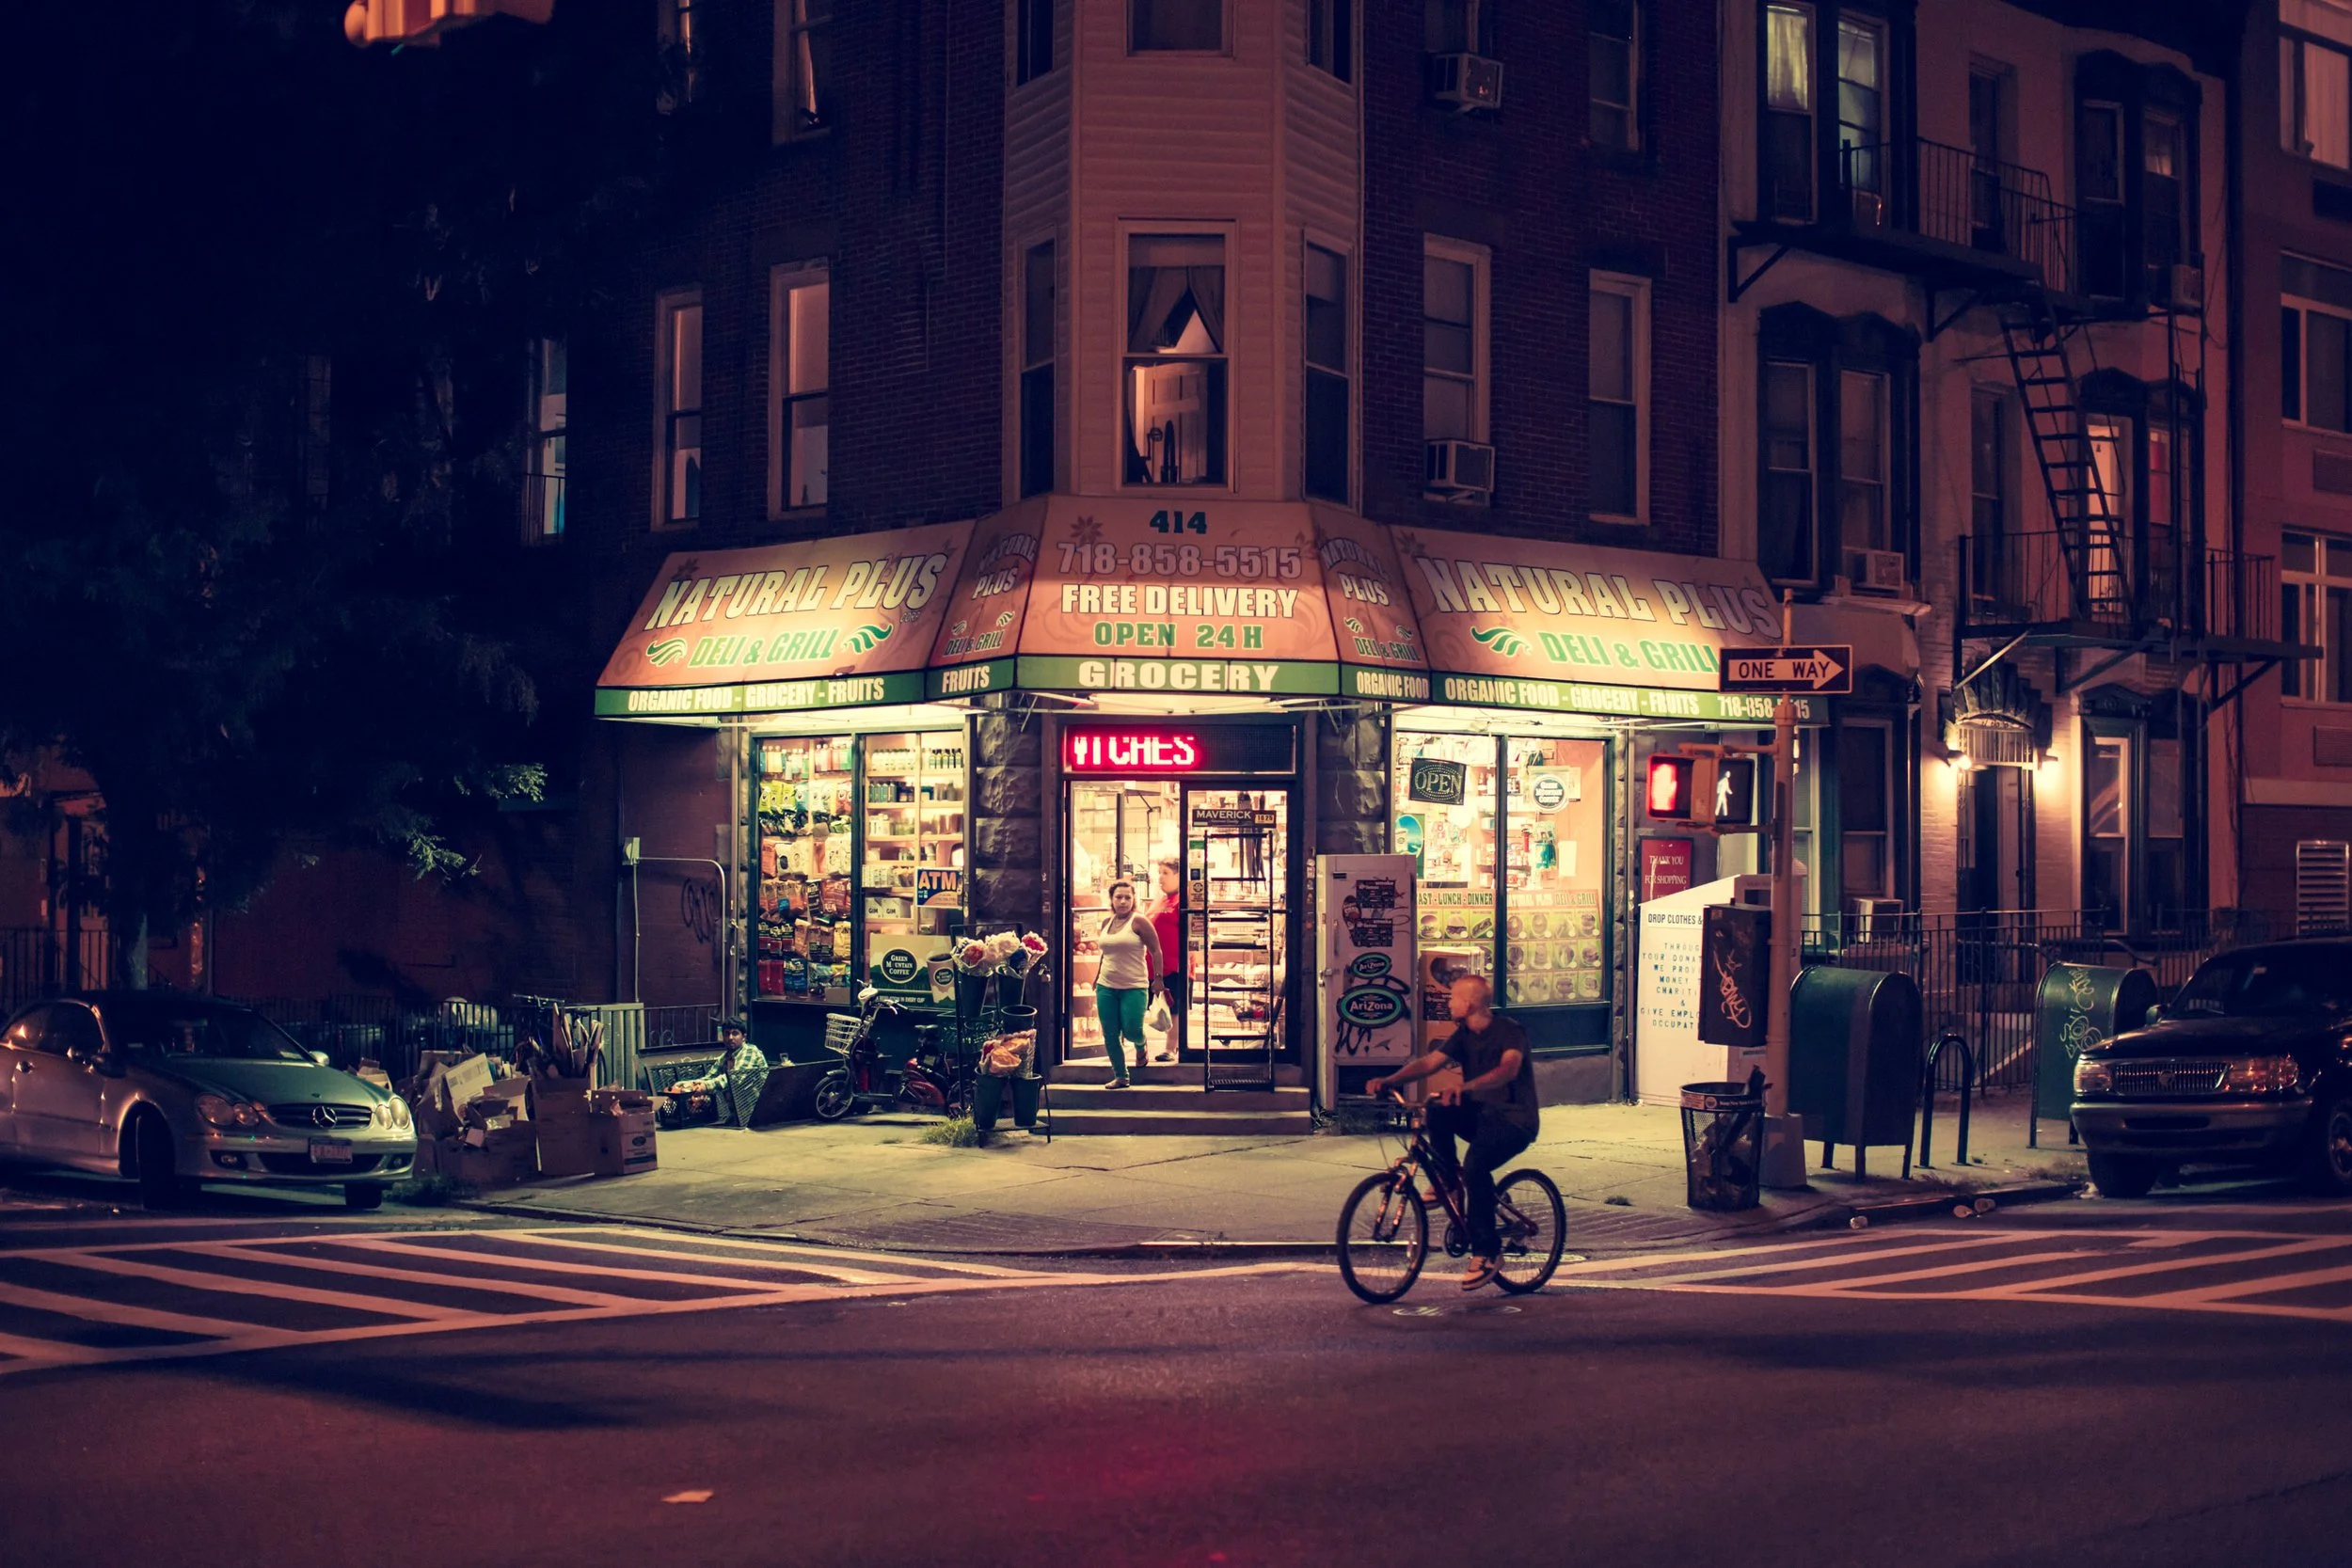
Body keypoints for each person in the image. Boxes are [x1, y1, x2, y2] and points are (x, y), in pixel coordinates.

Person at [1365, 974, 1540, 1291]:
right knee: (1436, 1110)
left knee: (1476, 1166)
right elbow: (1430, 1063)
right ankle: (1447, 1181)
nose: (1448, 1002)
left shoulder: (1509, 1031)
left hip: (1514, 1121)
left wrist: (1466, 1087)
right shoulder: (1463, 1035)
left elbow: (1509, 1069)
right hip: (1482, 1116)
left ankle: (1487, 1253)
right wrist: (1390, 1080)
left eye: (1453, 998)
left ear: (1470, 1003)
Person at [1092, 879, 1164, 1088]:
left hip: (1134, 986)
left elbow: (1156, 951)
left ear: (1133, 900)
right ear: (1112, 900)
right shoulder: (1106, 923)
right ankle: (1121, 1076)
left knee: (1132, 1029)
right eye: (1118, 897)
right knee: (1110, 1033)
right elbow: (1105, 953)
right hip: (1107, 986)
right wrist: (1097, 976)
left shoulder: (1139, 922)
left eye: (1127, 897)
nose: (1123, 901)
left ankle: (1141, 1046)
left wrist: (1158, 979)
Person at [1149, 857, 1185, 1063]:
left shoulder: (1183, 900)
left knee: (1173, 1007)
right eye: (1159, 872)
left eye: (1165, 872)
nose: (1160, 877)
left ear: (1179, 875)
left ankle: (1171, 1048)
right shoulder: (1160, 899)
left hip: (1174, 965)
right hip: (1152, 966)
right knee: (1156, 1007)